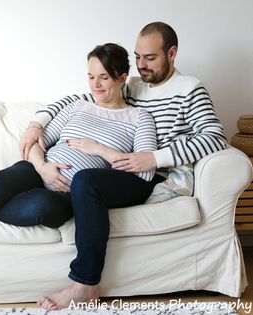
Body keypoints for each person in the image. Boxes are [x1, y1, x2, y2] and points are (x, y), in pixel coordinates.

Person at [21, 22, 228, 310]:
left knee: (86, 181)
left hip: (152, 175)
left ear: (172, 53)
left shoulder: (190, 89)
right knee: (77, 180)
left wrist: (156, 158)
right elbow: (82, 99)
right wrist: (36, 124)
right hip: (117, 170)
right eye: (138, 57)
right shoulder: (133, 86)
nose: (141, 65)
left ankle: (85, 284)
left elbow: (215, 137)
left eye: (150, 58)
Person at [0, 43, 158, 230]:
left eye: (104, 77)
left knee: (40, 207)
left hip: (69, 193)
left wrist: (99, 149)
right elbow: (36, 143)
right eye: (91, 76)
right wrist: (42, 168)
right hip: (37, 171)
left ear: (122, 77)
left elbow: (145, 173)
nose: (95, 85)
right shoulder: (78, 107)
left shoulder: (138, 118)